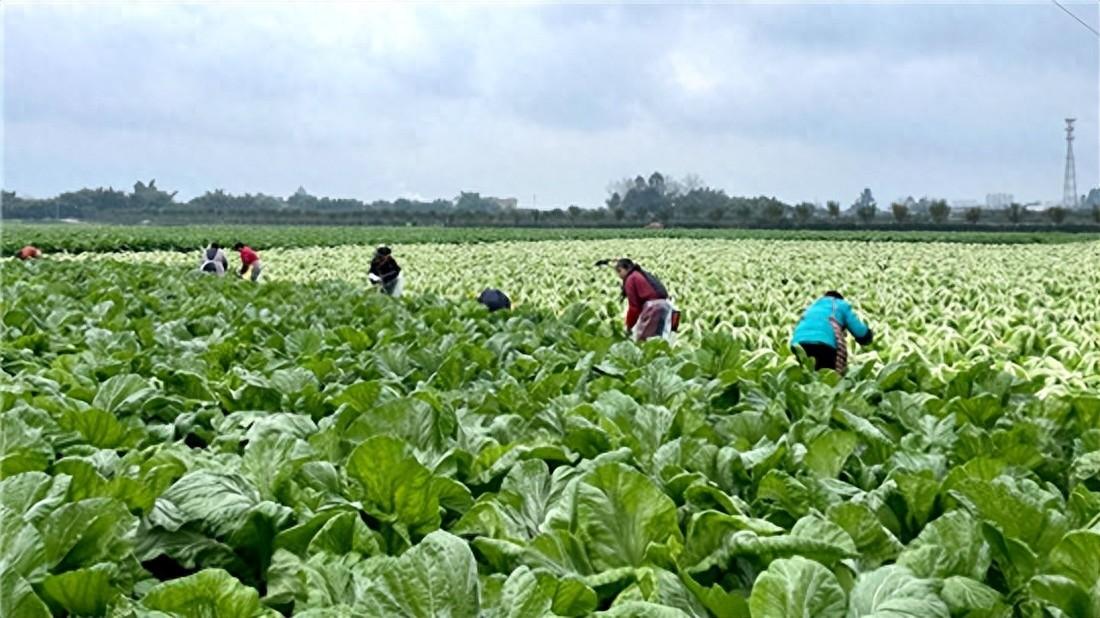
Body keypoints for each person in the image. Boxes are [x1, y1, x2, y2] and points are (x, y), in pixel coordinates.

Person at [790, 291, 873, 373]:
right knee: (826, 379)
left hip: (799, 345)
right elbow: (859, 331)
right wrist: (867, 336)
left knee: (804, 377)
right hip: (824, 345)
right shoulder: (841, 304)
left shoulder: (813, 306)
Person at [614, 258, 678, 341]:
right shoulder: (640, 274)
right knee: (661, 338)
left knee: (643, 339)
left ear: (626, 269)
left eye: (619, 271)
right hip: (667, 306)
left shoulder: (630, 279)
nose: (619, 275)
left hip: (654, 308)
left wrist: (629, 327)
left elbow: (634, 308)